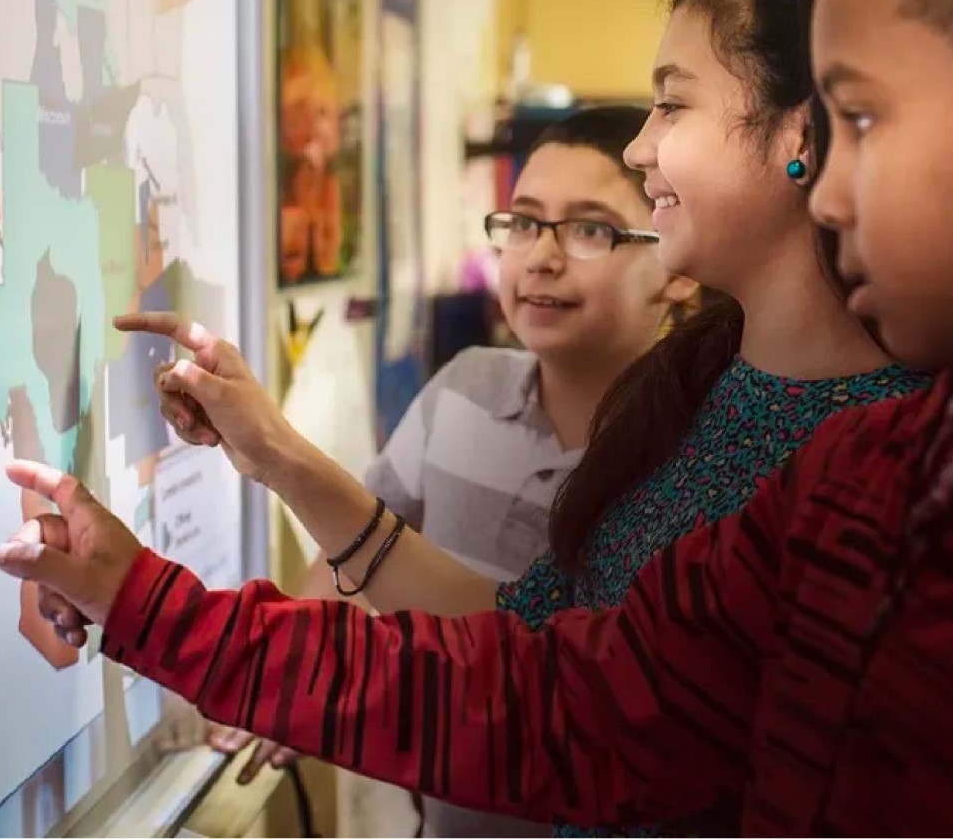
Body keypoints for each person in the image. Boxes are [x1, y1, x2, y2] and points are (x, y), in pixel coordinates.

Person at [0, 0, 953, 834]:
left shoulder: (929, 477)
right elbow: (559, 692)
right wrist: (147, 597)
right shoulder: (855, 464)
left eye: (862, 118)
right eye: (522, 223)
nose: (837, 188)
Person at [233, 105, 702, 836]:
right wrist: (293, 673)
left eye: (589, 230)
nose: (540, 257)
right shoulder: (464, 387)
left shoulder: (700, 453)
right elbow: (351, 545)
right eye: (524, 222)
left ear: (678, 265)